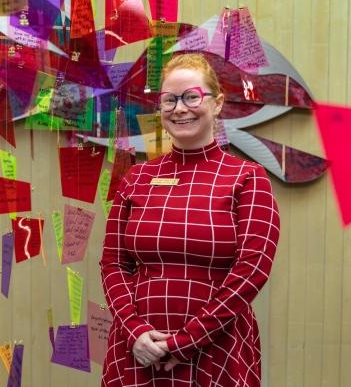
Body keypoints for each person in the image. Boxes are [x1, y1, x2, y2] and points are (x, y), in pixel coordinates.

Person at [100, 53, 280, 386]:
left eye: (191, 97)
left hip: (216, 346)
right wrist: (134, 331)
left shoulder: (247, 178)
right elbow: (113, 263)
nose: (179, 109)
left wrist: (185, 342)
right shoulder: (136, 178)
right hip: (138, 349)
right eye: (169, 100)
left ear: (217, 103)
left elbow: (252, 272)